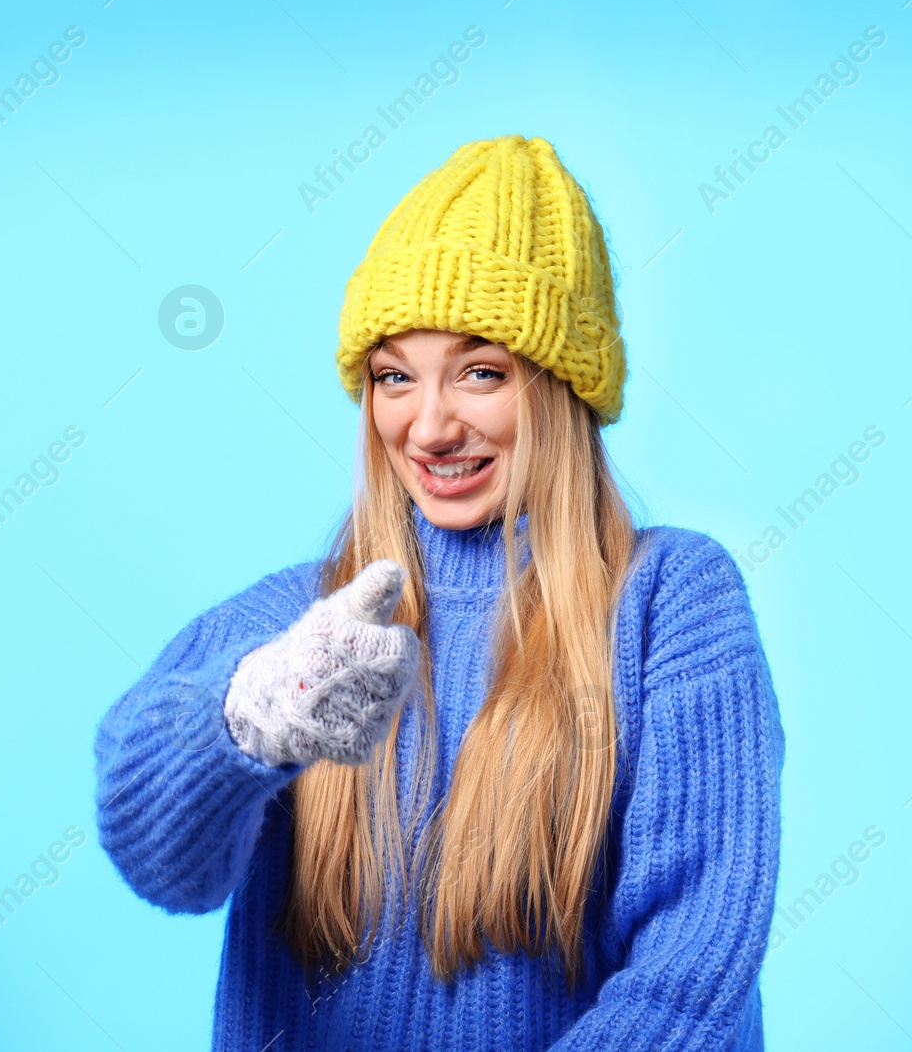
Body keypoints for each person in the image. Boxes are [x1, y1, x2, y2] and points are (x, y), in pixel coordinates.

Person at [94, 133, 786, 1050]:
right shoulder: (312, 618)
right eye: (393, 376)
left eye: (480, 371)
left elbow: (690, 976)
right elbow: (154, 853)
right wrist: (245, 724)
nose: (428, 425)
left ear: (559, 385)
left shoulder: (670, 603)